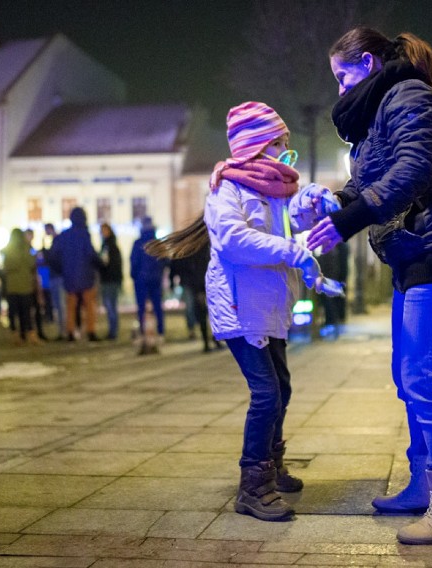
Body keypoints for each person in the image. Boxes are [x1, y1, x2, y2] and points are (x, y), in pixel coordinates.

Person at [306, 27, 432, 545]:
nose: (340, 90)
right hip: (413, 257)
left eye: (343, 77)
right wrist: (333, 205)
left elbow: (415, 168)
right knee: (406, 376)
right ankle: (422, 485)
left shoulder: (408, 95)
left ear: (366, 62)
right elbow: (365, 188)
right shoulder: (373, 117)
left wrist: (351, 220)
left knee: (422, 375)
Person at [146, 101, 341, 522]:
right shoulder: (226, 189)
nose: (285, 155)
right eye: (280, 145)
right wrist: (294, 251)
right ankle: (252, 487)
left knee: (281, 388)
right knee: (266, 394)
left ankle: (272, 465)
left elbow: (293, 223)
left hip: (269, 306)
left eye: (288, 146)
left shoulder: (275, 189)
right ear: (256, 146)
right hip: (239, 309)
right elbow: (235, 240)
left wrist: (315, 204)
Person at [48, 207, 101, 342]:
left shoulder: (64, 235)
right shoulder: (84, 234)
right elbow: (90, 253)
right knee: (89, 305)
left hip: (69, 276)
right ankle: (90, 331)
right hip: (86, 276)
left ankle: (70, 331)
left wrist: (61, 268)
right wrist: (100, 264)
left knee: (70, 306)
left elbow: (53, 255)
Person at [130, 217, 167, 338]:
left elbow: (134, 261)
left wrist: (134, 275)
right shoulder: (158, 243)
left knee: (141, 307)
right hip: (156, 279)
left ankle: (143, 331)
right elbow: (165, 260)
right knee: (157, 307)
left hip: (141, 280)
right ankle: (160, 331)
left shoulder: (138, 243)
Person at [3, 228, 40, 345]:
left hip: (12, 287)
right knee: (26, 312)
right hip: (25, 286)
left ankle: (17, 335)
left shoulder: (8, 251)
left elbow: (6, 267)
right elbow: (32, 263)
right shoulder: (26, 249)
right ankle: (28, 335)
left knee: (14, 313)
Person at [98, 222, 123, 340]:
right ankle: (112, 330)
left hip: (110, 280)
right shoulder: (107, 245)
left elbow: (108, 263)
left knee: (111, 306)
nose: (103, 233)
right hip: (109, 279)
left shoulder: (109, 246)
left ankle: (113, 331)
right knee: (110, 306)